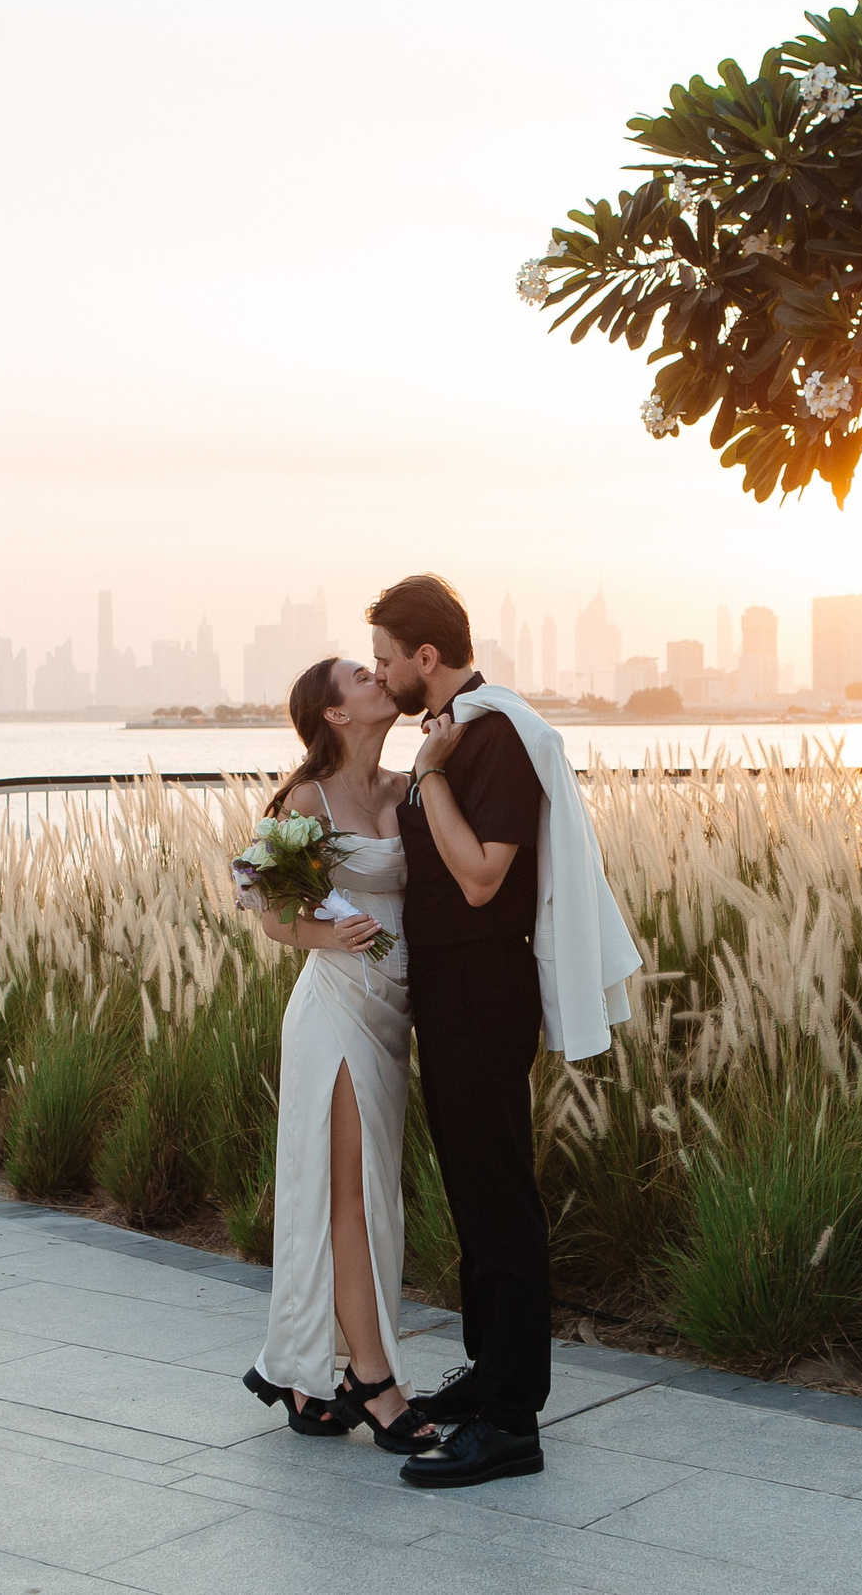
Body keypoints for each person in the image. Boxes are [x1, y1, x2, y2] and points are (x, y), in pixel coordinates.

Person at [367, 573, 640, 1490]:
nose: (382, 674)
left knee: (500, 1200)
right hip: (447, 987)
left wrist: (432, 779)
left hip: (485, 983)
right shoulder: (454, 733)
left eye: (385, 660)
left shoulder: (494, 739)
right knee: (473, 1196)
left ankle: (514, 1421)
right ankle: (490, 1380)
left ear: (426, 658)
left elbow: (484, 877)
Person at [239, 657, 439, 1456]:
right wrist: (328, 933)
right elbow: (269, 908)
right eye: (362, 676)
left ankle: (304, 1377)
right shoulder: (306, 800)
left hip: (394, 1014)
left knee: (370, 1196)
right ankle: (371, 1378)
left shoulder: (401, 789)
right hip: (335, 1013)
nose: (378, 677)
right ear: (333, 714)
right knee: (350, 1196)